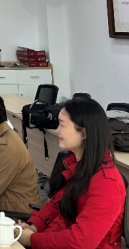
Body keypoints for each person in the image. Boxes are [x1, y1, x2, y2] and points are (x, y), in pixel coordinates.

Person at [16, 97, 126, 248]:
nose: (57, 130)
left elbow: (82, 241)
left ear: (84, 133)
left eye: (62, 125)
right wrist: (34, 226)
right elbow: (57, 204)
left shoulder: (107, 184)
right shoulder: (74, 163)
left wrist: (32, 240)